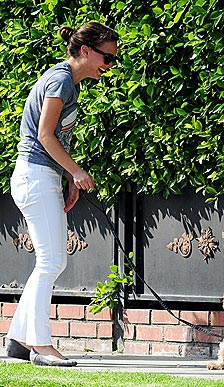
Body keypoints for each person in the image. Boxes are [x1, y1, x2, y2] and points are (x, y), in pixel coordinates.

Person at [6, 21, 119, 367]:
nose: (109, 66)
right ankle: (41, 345)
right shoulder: (60, 80)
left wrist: (69, 176)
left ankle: (19, 341)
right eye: (107, 58)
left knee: (49, 261)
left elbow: (55, 138)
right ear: (85, 51)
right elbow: (44, 136)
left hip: (42, 176)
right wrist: (76, 171)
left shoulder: (67, 82)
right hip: (35, 175)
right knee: (52, 261)